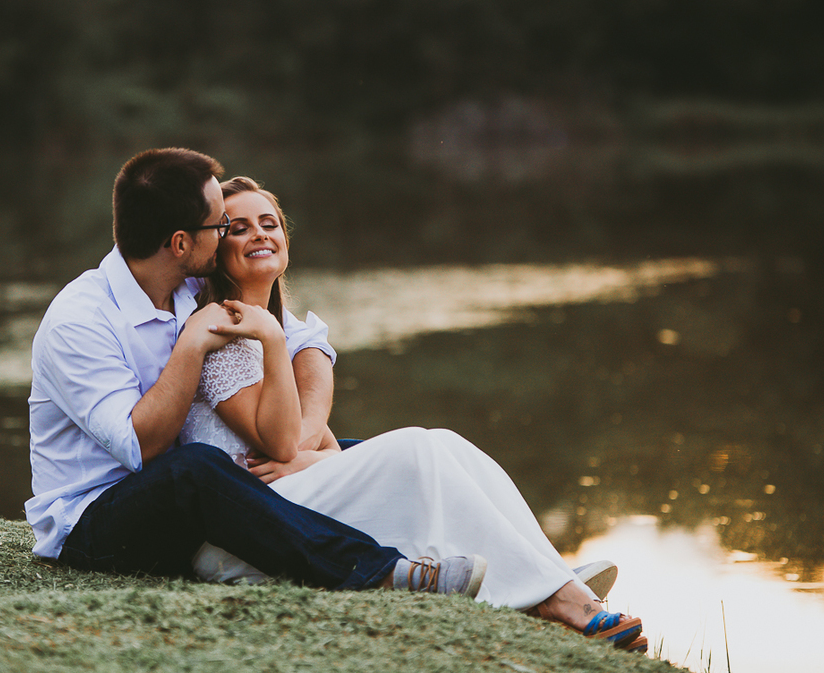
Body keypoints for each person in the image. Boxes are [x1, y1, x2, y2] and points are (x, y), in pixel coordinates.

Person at [181, 176, 648, 653]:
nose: (260, 234)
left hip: (289, 504)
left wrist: (310, 455)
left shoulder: (273, 328)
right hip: (243, 535)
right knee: (415, 449)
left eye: (269, 223)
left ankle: (554, 582)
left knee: (445, 444)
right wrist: (276, 347)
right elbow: (282, 448)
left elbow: (315, 446)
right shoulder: (220, 331)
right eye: (238, 228)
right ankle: (555, 597)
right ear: (215, 251)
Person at [24, 147, 485, 598]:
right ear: (181, 243)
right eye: (220, 224)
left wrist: (303, 440)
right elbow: (141, 449)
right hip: (93, 522)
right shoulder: (80, 321)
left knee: (362, 455)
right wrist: (190, 345)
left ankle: (463, 553)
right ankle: (382, 572)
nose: (227, 232)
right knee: (198, 469)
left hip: (194, 490)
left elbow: (301, 337)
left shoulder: (184, 281)